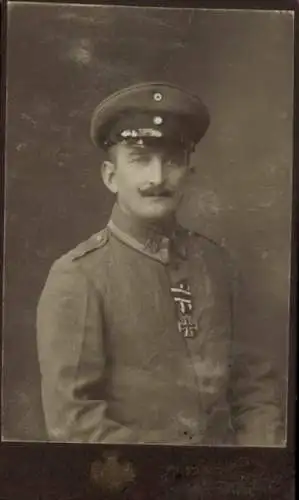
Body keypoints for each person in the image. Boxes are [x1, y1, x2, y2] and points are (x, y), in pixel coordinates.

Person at [37, 82, 283, 445]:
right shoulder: (77, 276)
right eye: (140, 160)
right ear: (110, 176)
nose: (157, 178)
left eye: (171, 160)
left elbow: (257, 393)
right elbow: (74, 424)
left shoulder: (219, 265)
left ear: (189, 172)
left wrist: (256, 470)